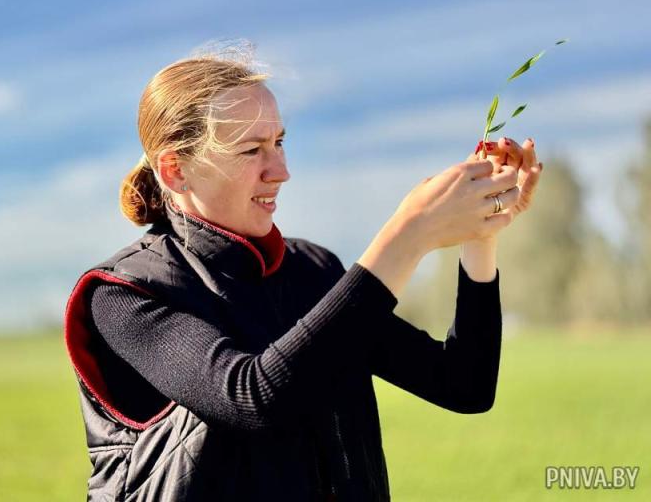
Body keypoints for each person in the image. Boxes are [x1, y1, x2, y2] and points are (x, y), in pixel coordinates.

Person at [63, 49, 543, 501]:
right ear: (175, 170)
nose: (280, 170)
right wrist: (408, 234)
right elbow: (251, 398)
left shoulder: (313, 269)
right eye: (251, 150)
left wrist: (481, 232)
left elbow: (464, 385)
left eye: (279, 142)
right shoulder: (123, 292)